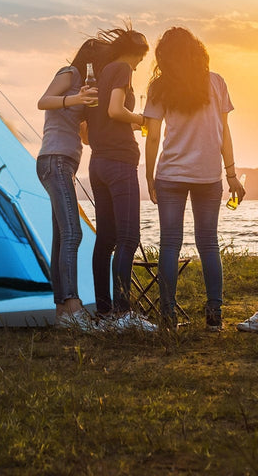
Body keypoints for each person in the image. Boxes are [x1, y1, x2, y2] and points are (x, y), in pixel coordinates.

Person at [144, 27, 246, 331]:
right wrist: (231, 174)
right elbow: (223, 132)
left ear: (165, 56)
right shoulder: (216, 82)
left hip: (171, 174)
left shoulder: (159, 87)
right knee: (209, 243)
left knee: (169, 244)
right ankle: (214, 316)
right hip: (208, 175)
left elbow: (152, 139)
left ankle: (167, 316)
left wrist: (149, 178)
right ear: (196, 50)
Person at [86, 26, 156, 331]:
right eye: (142, 58)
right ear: (137, 52)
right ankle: (123, 313)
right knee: (128, 237)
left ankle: (104, 312)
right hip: (118, 162)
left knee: (106, 239)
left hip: (98, 162)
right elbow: (116, 110)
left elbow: (98, 121)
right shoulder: (123, 68)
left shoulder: (102, 73)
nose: (140, 65)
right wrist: (141, 120)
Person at [37, 38, 107, 330]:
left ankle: (61, 313)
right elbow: (43, 101)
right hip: (54, 160)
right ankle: (74, 306)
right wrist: (76, 99)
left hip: (64, 163)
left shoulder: (86, 88)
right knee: (73, 232)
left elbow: (87, 138)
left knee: (61, 237)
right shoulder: (70, 73)